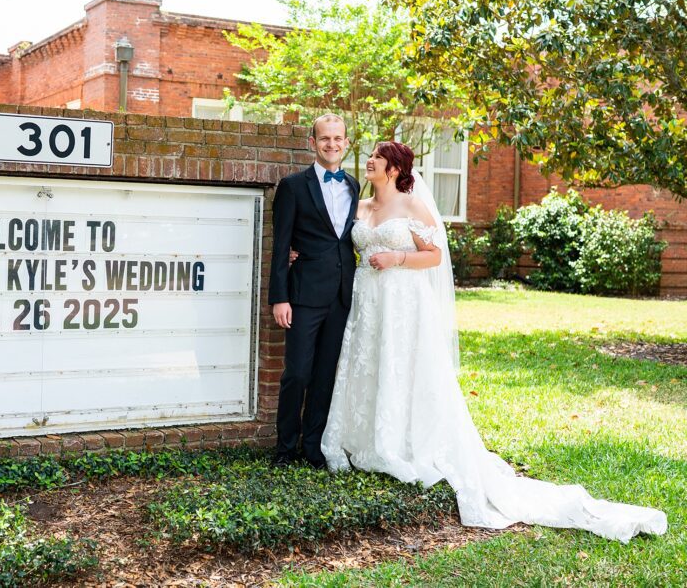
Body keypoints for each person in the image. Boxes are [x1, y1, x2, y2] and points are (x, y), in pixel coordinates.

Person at [319, 140, 667, 542]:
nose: (370, 162)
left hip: (402, 305)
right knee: (369, 365)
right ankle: (363, 440)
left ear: (394, 168)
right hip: (367, 303)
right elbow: (340, 248)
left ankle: (398, 443)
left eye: (377, 158)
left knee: (401, 367)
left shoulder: (412, 205)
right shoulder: (360, 207)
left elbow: (433, 255)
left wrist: (397, 258)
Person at [268, 113, 360, 468]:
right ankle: (285, 448)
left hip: (341, 295)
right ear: (313, 143)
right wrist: (280, 297)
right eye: (325, 139)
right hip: (303, 295)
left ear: (347, 143)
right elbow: (280, 247)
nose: (332, 145)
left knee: (325, 375)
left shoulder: (353, 185)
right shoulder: (293, 186)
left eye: (338, 139)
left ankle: (313, 446)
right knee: (298, 373)